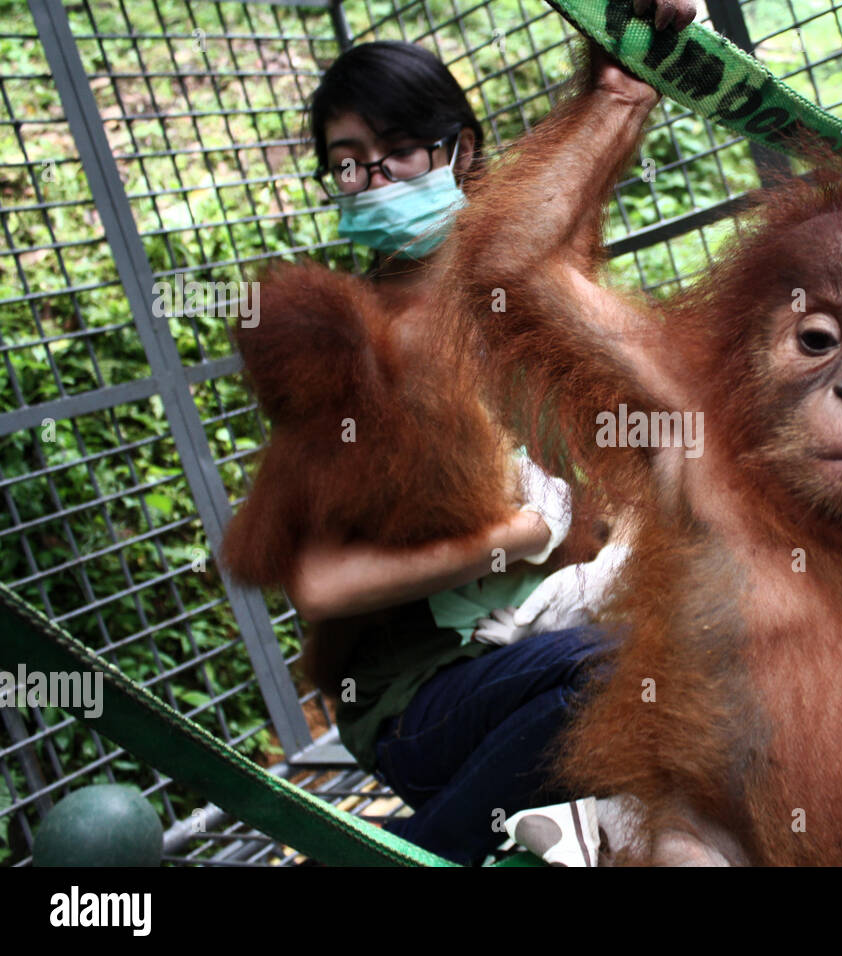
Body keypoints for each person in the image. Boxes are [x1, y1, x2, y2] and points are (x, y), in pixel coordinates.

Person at [286, 40, 610, 866]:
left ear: (459, 150)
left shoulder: (523, 296)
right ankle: (421, 851)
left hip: (548, 647)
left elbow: (595, 142)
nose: (375, 179)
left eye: (398, 151)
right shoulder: (351, 343)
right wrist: (507, 537)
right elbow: (322, 580)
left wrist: (625, 50)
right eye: (349, 164)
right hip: (426, 699)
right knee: (616, 667)